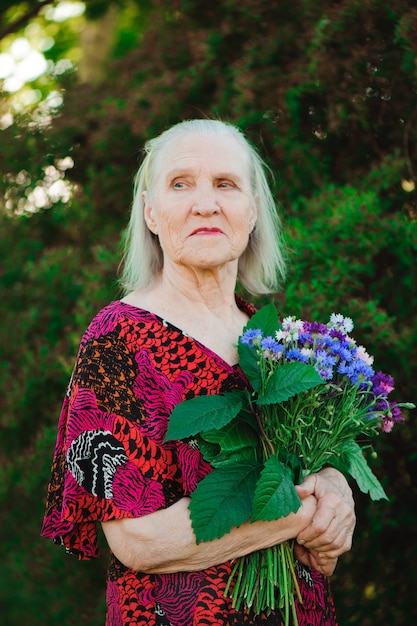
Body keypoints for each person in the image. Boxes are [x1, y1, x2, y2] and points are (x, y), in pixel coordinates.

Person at [41, 118, 356, 626]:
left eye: (226, 185)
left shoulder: (274, 341)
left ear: (252, 211)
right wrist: (299, 513)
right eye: (181, 184)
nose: (206, 203)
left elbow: (312, 487)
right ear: (150, 211)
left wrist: (336, 487)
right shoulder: (118, 342)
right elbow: (137, 540)